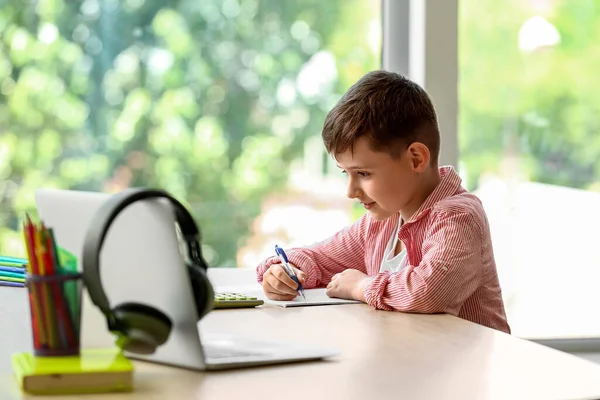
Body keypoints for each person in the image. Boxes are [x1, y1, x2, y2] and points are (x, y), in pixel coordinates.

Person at [255, 70, 510, 333]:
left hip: (471, 371)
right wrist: (284, 271)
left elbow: (428, 291)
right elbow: (318, 259)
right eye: (347, 173)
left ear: (416, 159)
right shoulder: (382, 221)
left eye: (363, 174)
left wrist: (361, 286)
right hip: (413, 364)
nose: (351, 191)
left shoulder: (458, 217)